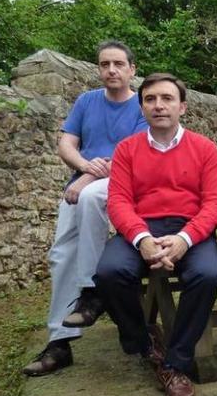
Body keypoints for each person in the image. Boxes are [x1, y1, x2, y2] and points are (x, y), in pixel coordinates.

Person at [93, 73, 217, 396]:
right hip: (141, 227)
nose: (159, 105)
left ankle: (175, 363)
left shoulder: (205, 148)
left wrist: (184, 239)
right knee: (109, 273)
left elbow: (215, 204)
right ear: (142, 107)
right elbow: (118, 201)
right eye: (150, 99)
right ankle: (144, 339)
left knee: (207, 275)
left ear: (182, 106)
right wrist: (142, 240)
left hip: (190, 228)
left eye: (166, 98)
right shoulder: (127, 150)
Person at [23, 40, 147, 376]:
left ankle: (94, 291)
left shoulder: (143, 105)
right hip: (84, 184)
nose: (111, 70)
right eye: (105, 64)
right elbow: (66, 143)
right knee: (61, 255)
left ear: (132, 69)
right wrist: (84, 169)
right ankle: (59, 341)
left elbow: (126, 156)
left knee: (93, 200)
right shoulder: (87, 101)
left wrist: (83, 179)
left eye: (118, 64)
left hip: (123, 184)